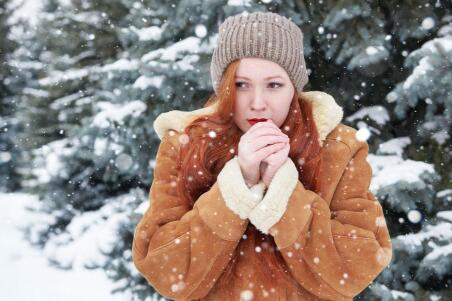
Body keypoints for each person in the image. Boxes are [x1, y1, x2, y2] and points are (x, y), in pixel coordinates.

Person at [132, 11, 393, 301]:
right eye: (241, 85)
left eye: (274, 85)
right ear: (223, 88)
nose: (257, 103)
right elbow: (164, 269)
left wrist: (281, 190)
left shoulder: (337, 147)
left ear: (294, 87)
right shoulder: (184, 144)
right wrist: (237, 186)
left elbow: (358, 266)